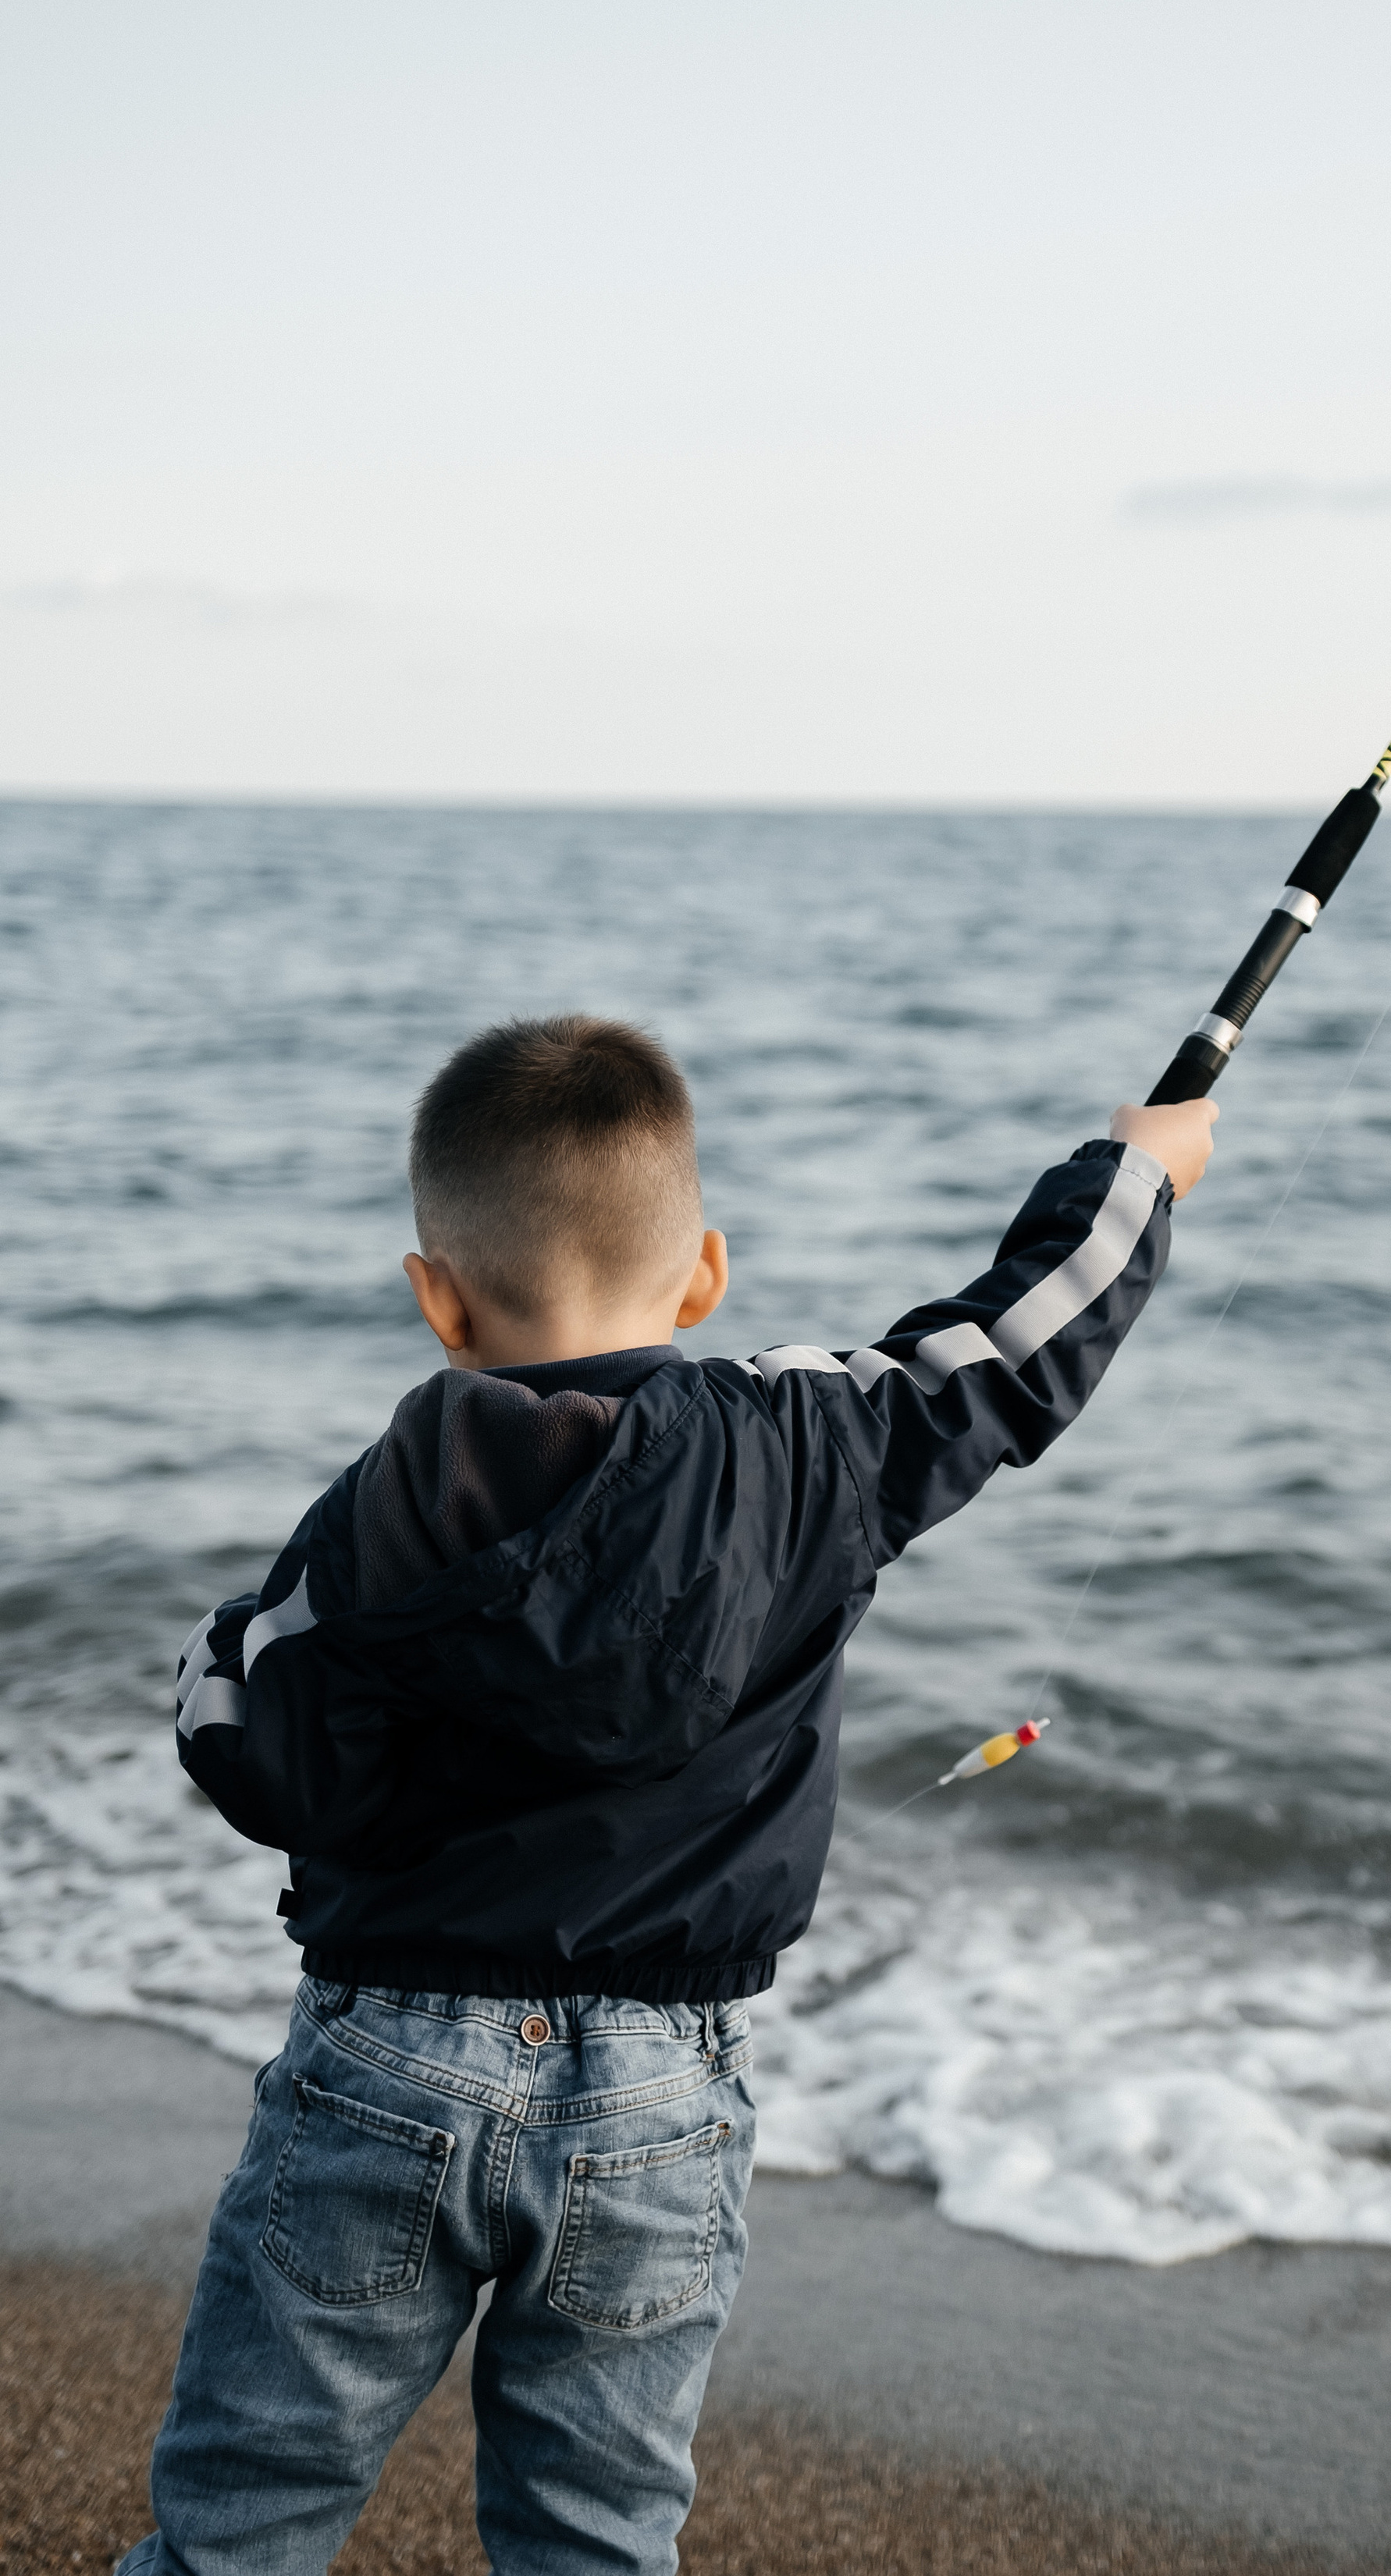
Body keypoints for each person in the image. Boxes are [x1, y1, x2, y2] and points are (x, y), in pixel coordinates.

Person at [126, 1013, 1216, 2576]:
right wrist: (1133, 1169)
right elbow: (1010, 1350)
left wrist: (216, 1654)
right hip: (657, 2093)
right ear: (700, 1275)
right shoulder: (804, 1442)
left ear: (437, 1301)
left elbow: (254, 1742)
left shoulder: (379, 1508)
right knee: (596, 2532)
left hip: (386, 2061)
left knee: (245, 2514)